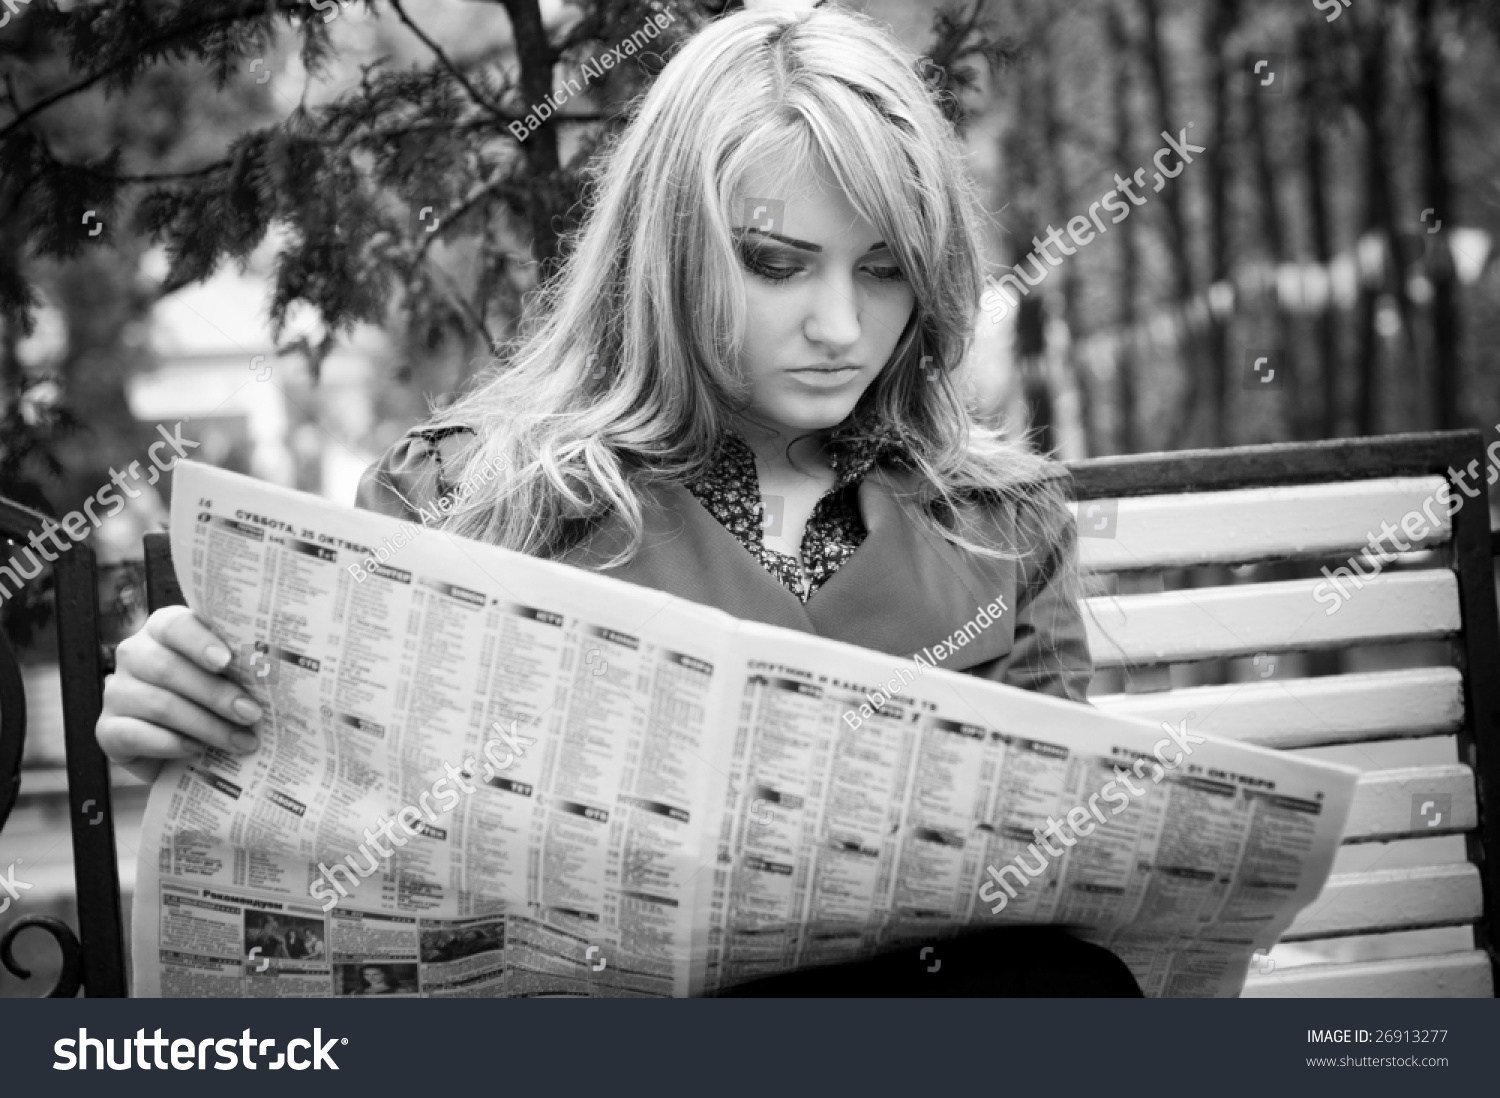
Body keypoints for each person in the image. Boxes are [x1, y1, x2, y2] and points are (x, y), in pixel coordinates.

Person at [94, 5, 1136, 996]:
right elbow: (330, 841)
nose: (840, 327)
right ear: (666, 255)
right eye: (777, 264)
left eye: (883, 269)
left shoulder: (1001, 522)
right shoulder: (467, 503)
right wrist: (188, 720)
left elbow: (1066, 879)